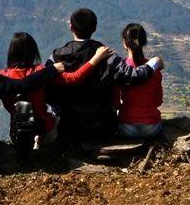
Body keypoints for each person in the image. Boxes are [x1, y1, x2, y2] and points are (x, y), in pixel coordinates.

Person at [45, 8, 163, 142]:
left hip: (69, 127)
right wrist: (154, 63)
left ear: (71, 27)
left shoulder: (57, 57)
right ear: (95, 28)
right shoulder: (107, 55)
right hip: (101, 126)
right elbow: (134, 76)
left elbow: (46, 84)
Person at [0, 32, 113, 149]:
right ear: (33, 52)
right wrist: (96, 57)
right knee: (57, 114)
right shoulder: (41, 72)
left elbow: (6, 104)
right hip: (46, 133)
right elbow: (74, 78)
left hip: (17, 135)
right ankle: (40, 142)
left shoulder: (3, 76)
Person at [113, 24, 163, 139]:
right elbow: (158, 101)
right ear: (144, 42)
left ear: (124, 42)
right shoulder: (154, 69)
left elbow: (115, 102)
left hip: (127, 126)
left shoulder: (120, 69)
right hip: (152, 126)